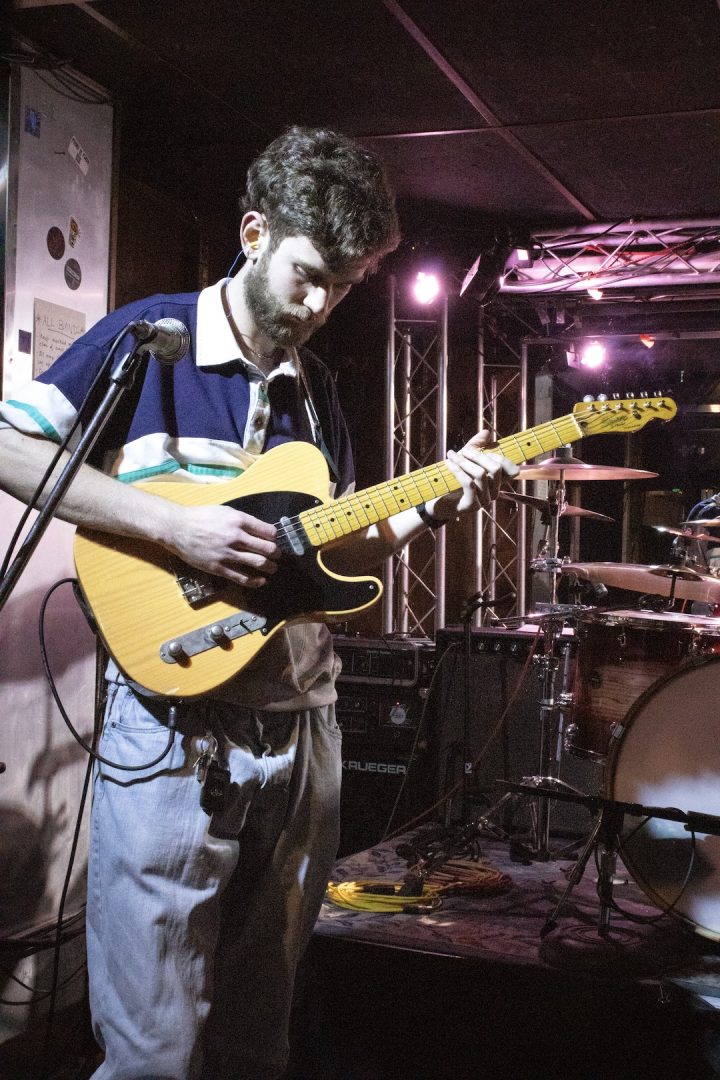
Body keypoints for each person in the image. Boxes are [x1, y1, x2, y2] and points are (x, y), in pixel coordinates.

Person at [0, 126, 518, 1079]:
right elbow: (8, 446)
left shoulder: (318, 391)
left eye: (349, 284)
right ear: (252, 233)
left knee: (256, 1036)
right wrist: (175, 529)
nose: (323, 305)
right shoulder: (149, 338)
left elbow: (331, 556)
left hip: (300, 731)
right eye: (310, 275)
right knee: (154, 1051)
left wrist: (430, 507)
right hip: (173, 730)